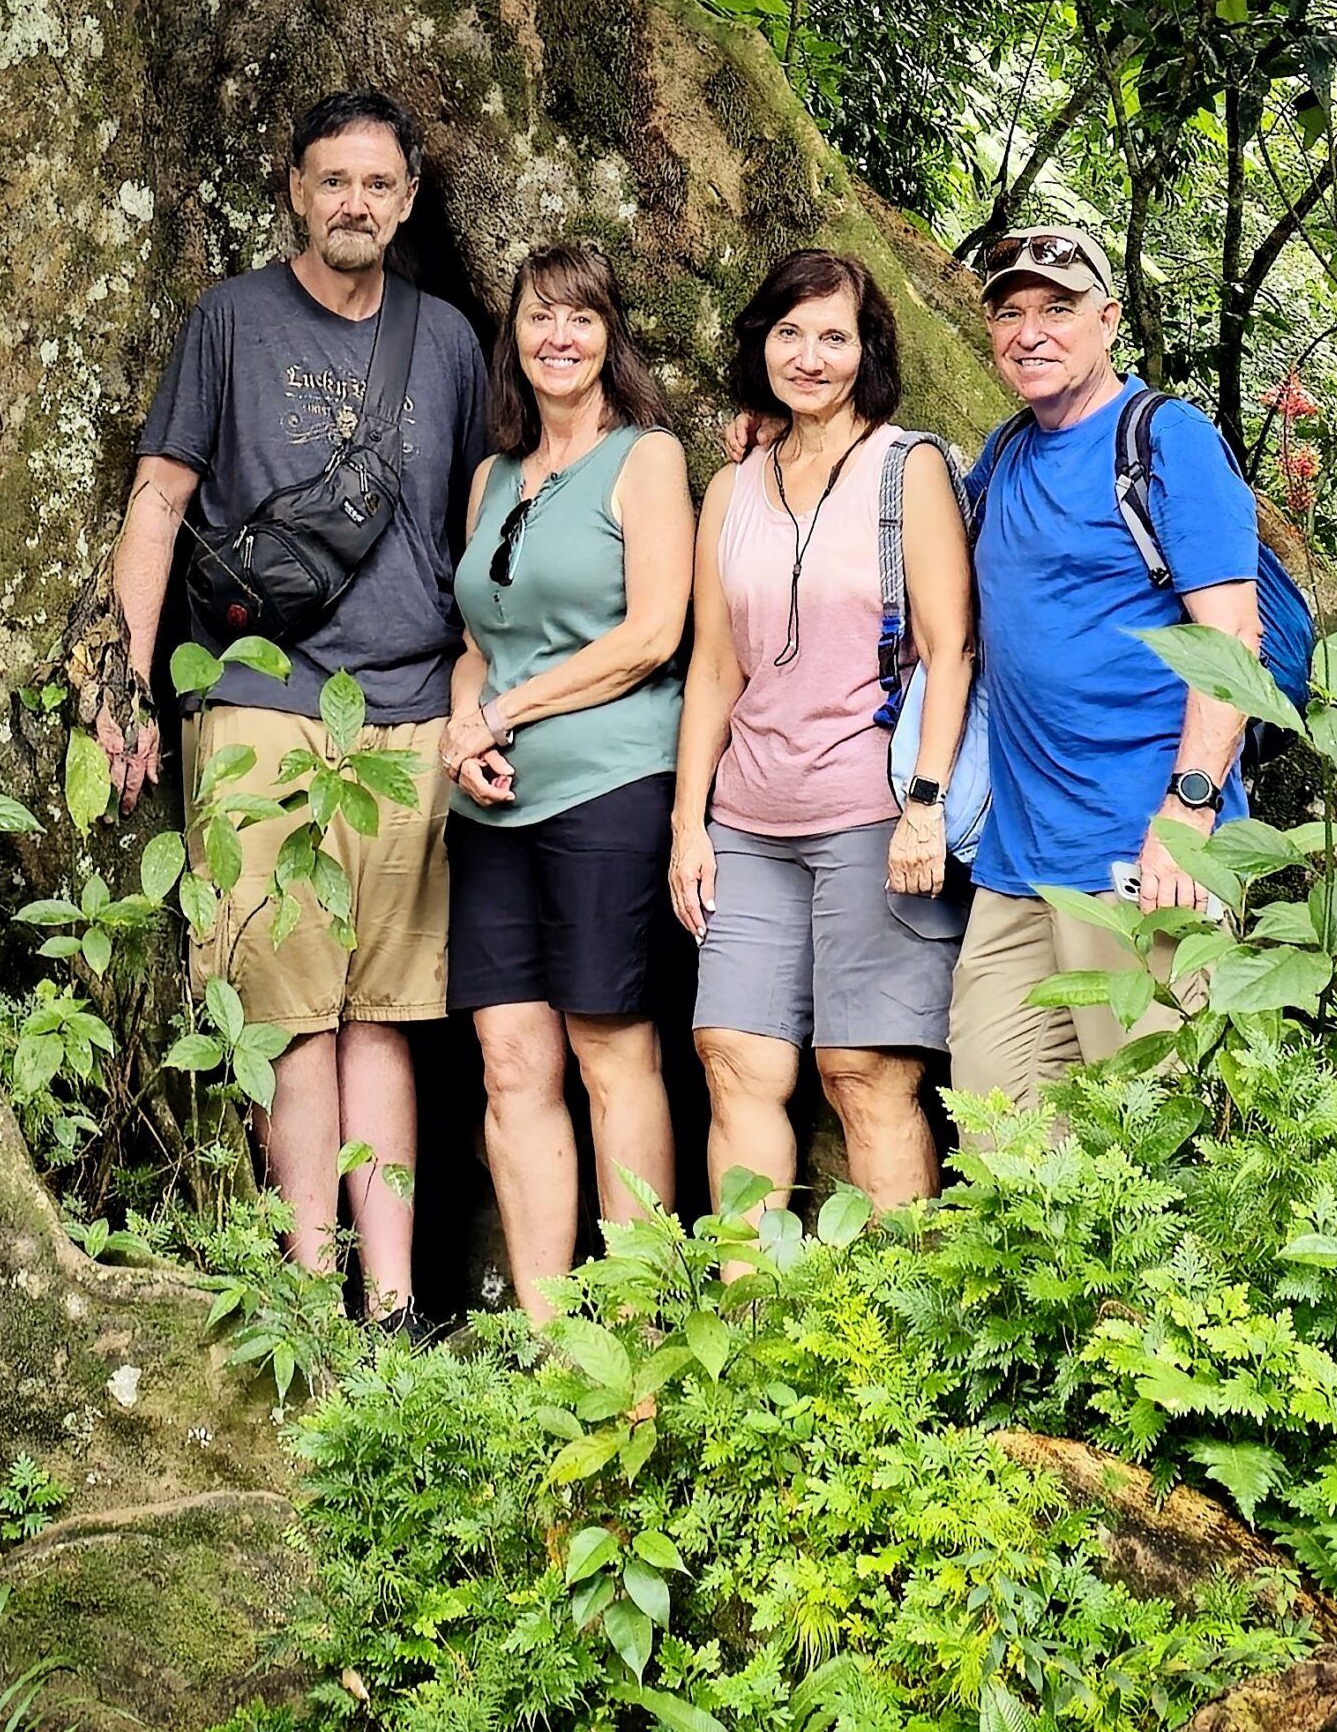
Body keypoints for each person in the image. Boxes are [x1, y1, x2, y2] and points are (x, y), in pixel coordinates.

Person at [103, 88, 486, 1331]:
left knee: (385, 1013)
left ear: (409, 198)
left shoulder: (447, 341)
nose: (355, 204)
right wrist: (129, 676)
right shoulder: (230, 321)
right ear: (294, 190)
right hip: (263, 702)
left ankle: (390, 1304)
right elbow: (160, 500)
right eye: (333, 181)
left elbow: (484, 516)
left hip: (414, 709)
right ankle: (310, 1288)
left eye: (377, 184)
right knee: (284, 1007)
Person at [671, 249, 974, 1217]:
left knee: (866, 1073)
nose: (808, 355)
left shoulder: (906, 468)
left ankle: (895, 1337)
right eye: (788, 333)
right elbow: (714, 667)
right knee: (733, 1058)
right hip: (749, 820)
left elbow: (949, 648)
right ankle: (750, 1325)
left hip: (871, 815)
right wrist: (688, 823)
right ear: (760, 343)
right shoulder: (731, 486)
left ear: (867, 349)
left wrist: (923, 807)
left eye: (833, 336)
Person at [948, 225, 1261, 1108]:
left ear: (1109, 320)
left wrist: (1188, 814)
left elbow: (1233, 641)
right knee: (999, 1132)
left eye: (1058, 308)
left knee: (1152, 1136)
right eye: (1009, 313)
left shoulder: (1167, 439)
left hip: (1139, 852)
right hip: (1017, 861)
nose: (1030, 332)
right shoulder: (1004, 452)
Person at [441, 242, 693, 1323]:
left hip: (609, 786)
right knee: (509, 1056)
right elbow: (474, 638)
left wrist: (506, 709)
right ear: (515, 338)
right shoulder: (491, 477)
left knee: (609, 1043)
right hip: (492, 802)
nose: (559, 336)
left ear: (609, 337)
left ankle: (639, 1323)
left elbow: (650, 634)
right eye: (539, 318)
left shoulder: (647, 460)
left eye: (580, 317)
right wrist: (464, 723)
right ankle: (550, 1339)